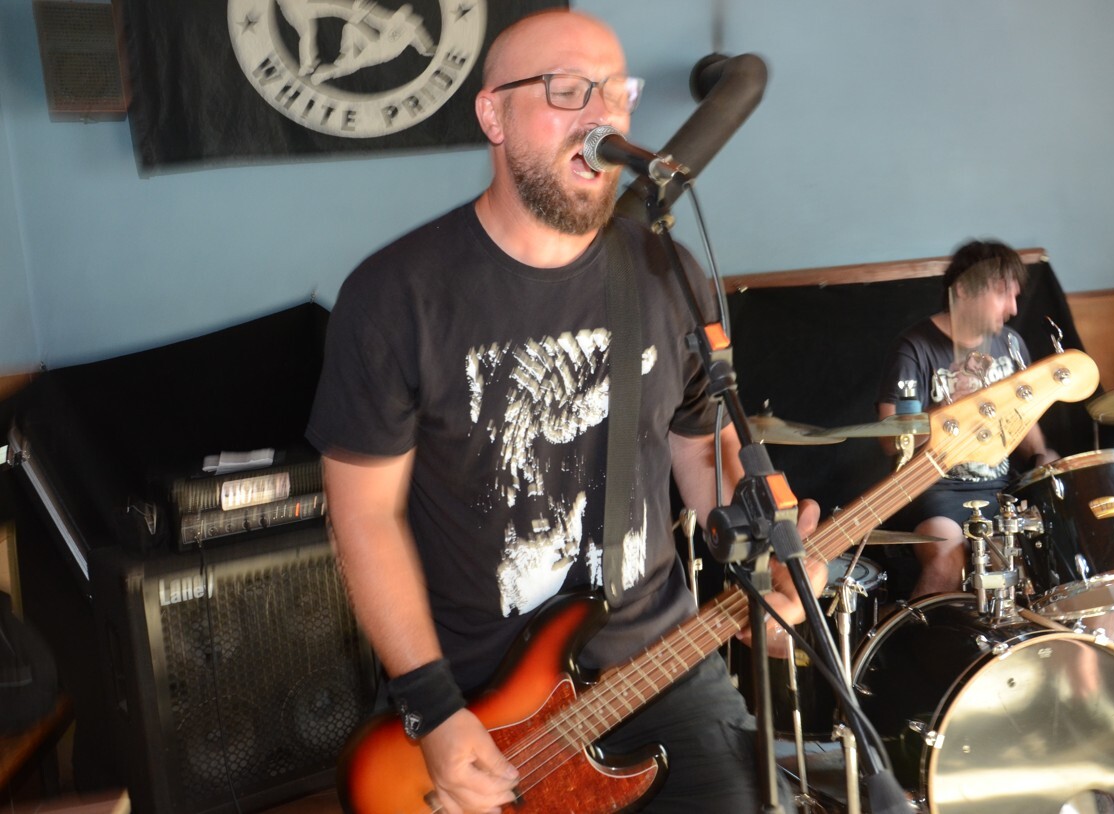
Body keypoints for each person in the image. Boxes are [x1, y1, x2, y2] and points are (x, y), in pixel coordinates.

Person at [307, 10, 824, 814]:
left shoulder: (665, 270)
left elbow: (702, 444)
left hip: (659, 663)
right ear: (493, 115)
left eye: (615, 92)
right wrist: (433, 708)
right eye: (566, 90)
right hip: (481, 697)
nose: (600, 116)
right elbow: (363, 516)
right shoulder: (395, 297)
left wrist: (768, 552)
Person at [876, 239, 1059, 598]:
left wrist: (1044, 461)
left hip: (1001, 488)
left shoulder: (1011, 345)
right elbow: (889, 441)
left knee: (1072, 545)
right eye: (1002, 294)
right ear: (962, 289)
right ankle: (920, 635)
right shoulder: (914, 348)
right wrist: (949, 408)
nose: (1012, 308)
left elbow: (1024, 426)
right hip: (934, 489)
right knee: (949, 558)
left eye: (1015, 296)